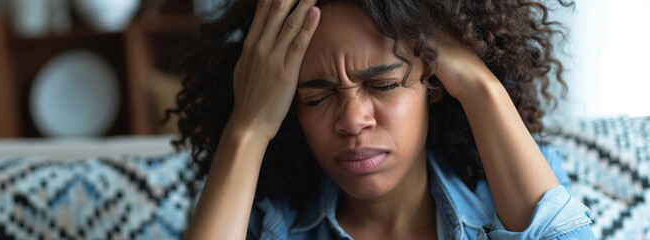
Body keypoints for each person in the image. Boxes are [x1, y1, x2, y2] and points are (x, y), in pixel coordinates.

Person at [169, 0, 594, 239]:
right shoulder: (268, 222)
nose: (353, 120)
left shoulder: (516, 194)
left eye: (385, 85)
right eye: (316, 95)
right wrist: (247, 128)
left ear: (436, 81)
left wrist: (480, 87)